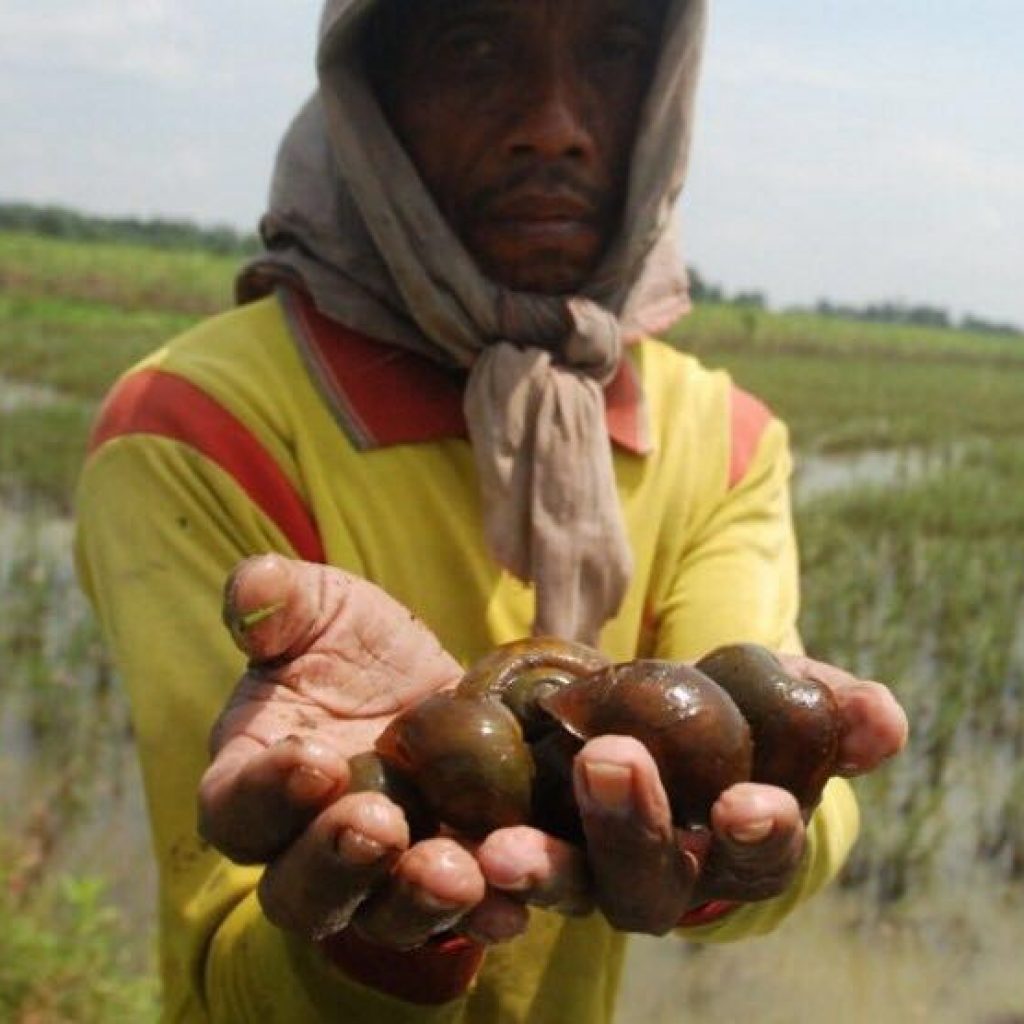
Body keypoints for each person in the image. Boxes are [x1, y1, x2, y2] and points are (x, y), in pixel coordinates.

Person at [74, 0, 908, 1021]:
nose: (553, 122)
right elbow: (232, 970)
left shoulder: (723, 433)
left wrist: (747, 834)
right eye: (471, 46)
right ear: (371, 94)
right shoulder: (197, 424)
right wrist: (390, 927)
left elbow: (776, 802)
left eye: (611, 49)